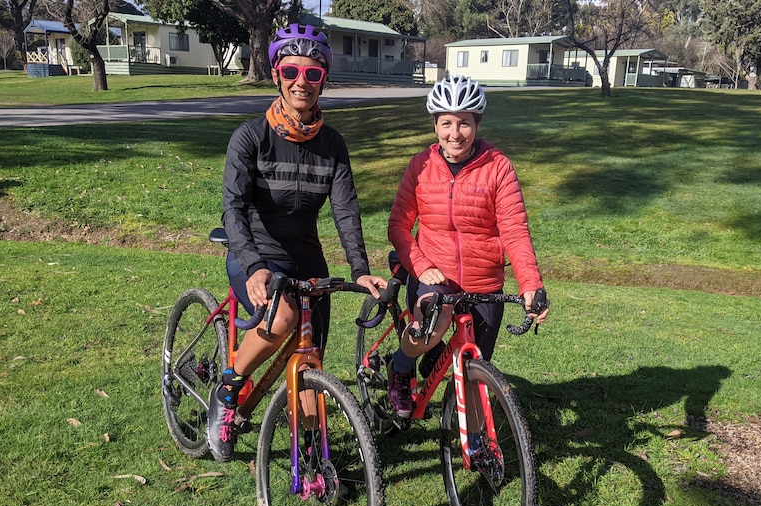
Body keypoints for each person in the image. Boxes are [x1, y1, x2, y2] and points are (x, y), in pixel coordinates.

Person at [210, 23, 387, 462]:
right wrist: (253, 265)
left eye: (312, 74)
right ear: (276, 74)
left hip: (307, 256)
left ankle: (312, 454)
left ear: (324, 77)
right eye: (291, 72)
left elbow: (346, 212)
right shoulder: (250, 137)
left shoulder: (332, 144)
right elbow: (233, 208)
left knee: (311, 357)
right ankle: (229, 387)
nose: (301, 83)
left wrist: (360, 269)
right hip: (255, 250)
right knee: (283, 313)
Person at [386, 75, 550, 418]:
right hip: (432, 274)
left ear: (477, 124)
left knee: (475, 369)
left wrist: (531, 285)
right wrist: (419, 263)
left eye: (464, 123)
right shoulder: (421, 166)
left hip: (483, 283)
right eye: (446, 123)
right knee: (434, 320)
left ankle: (477, 448)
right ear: (435, 125)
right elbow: (399, 225)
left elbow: (515, 231)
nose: (455, 133)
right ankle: (401, 367)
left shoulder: (498, 168)